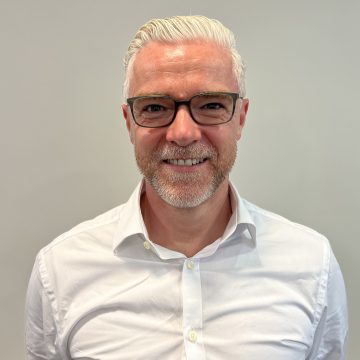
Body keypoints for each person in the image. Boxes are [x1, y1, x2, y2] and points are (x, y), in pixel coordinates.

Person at [25, 15, 348, 360]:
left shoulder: (312, 265)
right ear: (129, 124)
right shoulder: (60, 271)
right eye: (153, 107)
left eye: (210, 105)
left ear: (240, 118)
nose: (182, 133)